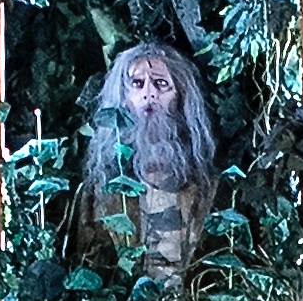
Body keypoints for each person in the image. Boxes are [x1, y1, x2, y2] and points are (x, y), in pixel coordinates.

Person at [81, 42, 221, 284]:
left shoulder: (210, 188)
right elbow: (89, 264)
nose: (149, 94)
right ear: (123, 98)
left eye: (161, 83)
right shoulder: (100, 191)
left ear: (181, 96)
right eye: (137, 83)